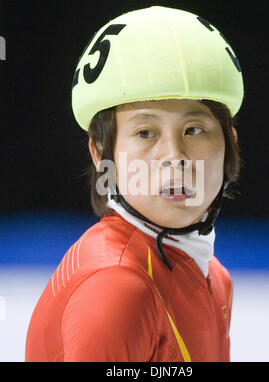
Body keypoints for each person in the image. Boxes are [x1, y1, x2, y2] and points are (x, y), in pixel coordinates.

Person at [25, 5, 244, 362]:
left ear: (230, 142)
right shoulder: (116, 288)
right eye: (145, 132)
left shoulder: (215, 278)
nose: (175, 155)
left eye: (194, 129)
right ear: (100, 153)